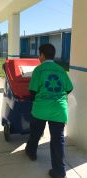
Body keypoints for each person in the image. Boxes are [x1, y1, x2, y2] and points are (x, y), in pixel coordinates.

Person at [25, 44, 73, 178]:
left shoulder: (38, 70)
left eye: (39, 55)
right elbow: (69, 88)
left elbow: (32, 91)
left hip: (41, 109)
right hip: (59, 110)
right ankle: (59, 171)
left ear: (42, 55)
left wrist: (42, 98)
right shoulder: (61, 70)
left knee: (35, 132)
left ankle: (31, 152)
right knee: (58, 140)